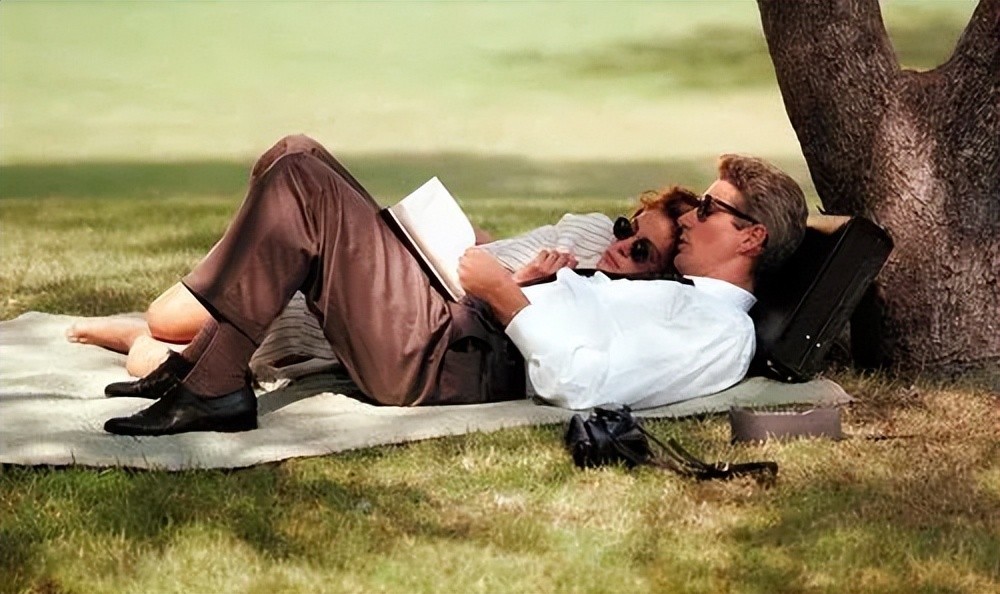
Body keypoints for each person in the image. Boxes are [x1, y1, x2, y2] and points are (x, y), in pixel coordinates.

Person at [101, 134, 806, 436]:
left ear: (751, 238)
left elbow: (586, 384)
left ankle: (216, 389)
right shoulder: (683, 297)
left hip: (446, 359)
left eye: (710, 208)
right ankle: (202, 368)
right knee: (296, 153)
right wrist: (528, 284)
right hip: (458, 322)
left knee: (302, 182)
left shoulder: (718, 331)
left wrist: (506, 296)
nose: (693, 218)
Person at [67, 143, 693, 381]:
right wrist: (461, 235)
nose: (619, 243)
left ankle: (145, 343)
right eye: (627, 226)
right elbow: (499, 243)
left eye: (640, 249)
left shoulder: (604, 298)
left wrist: (515, 286)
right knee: (292, 153)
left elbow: (508, 335)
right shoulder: (586, 237)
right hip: (399, 273)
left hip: (377, 314)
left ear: (658, 274)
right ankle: (235, 289)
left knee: (164, 325)